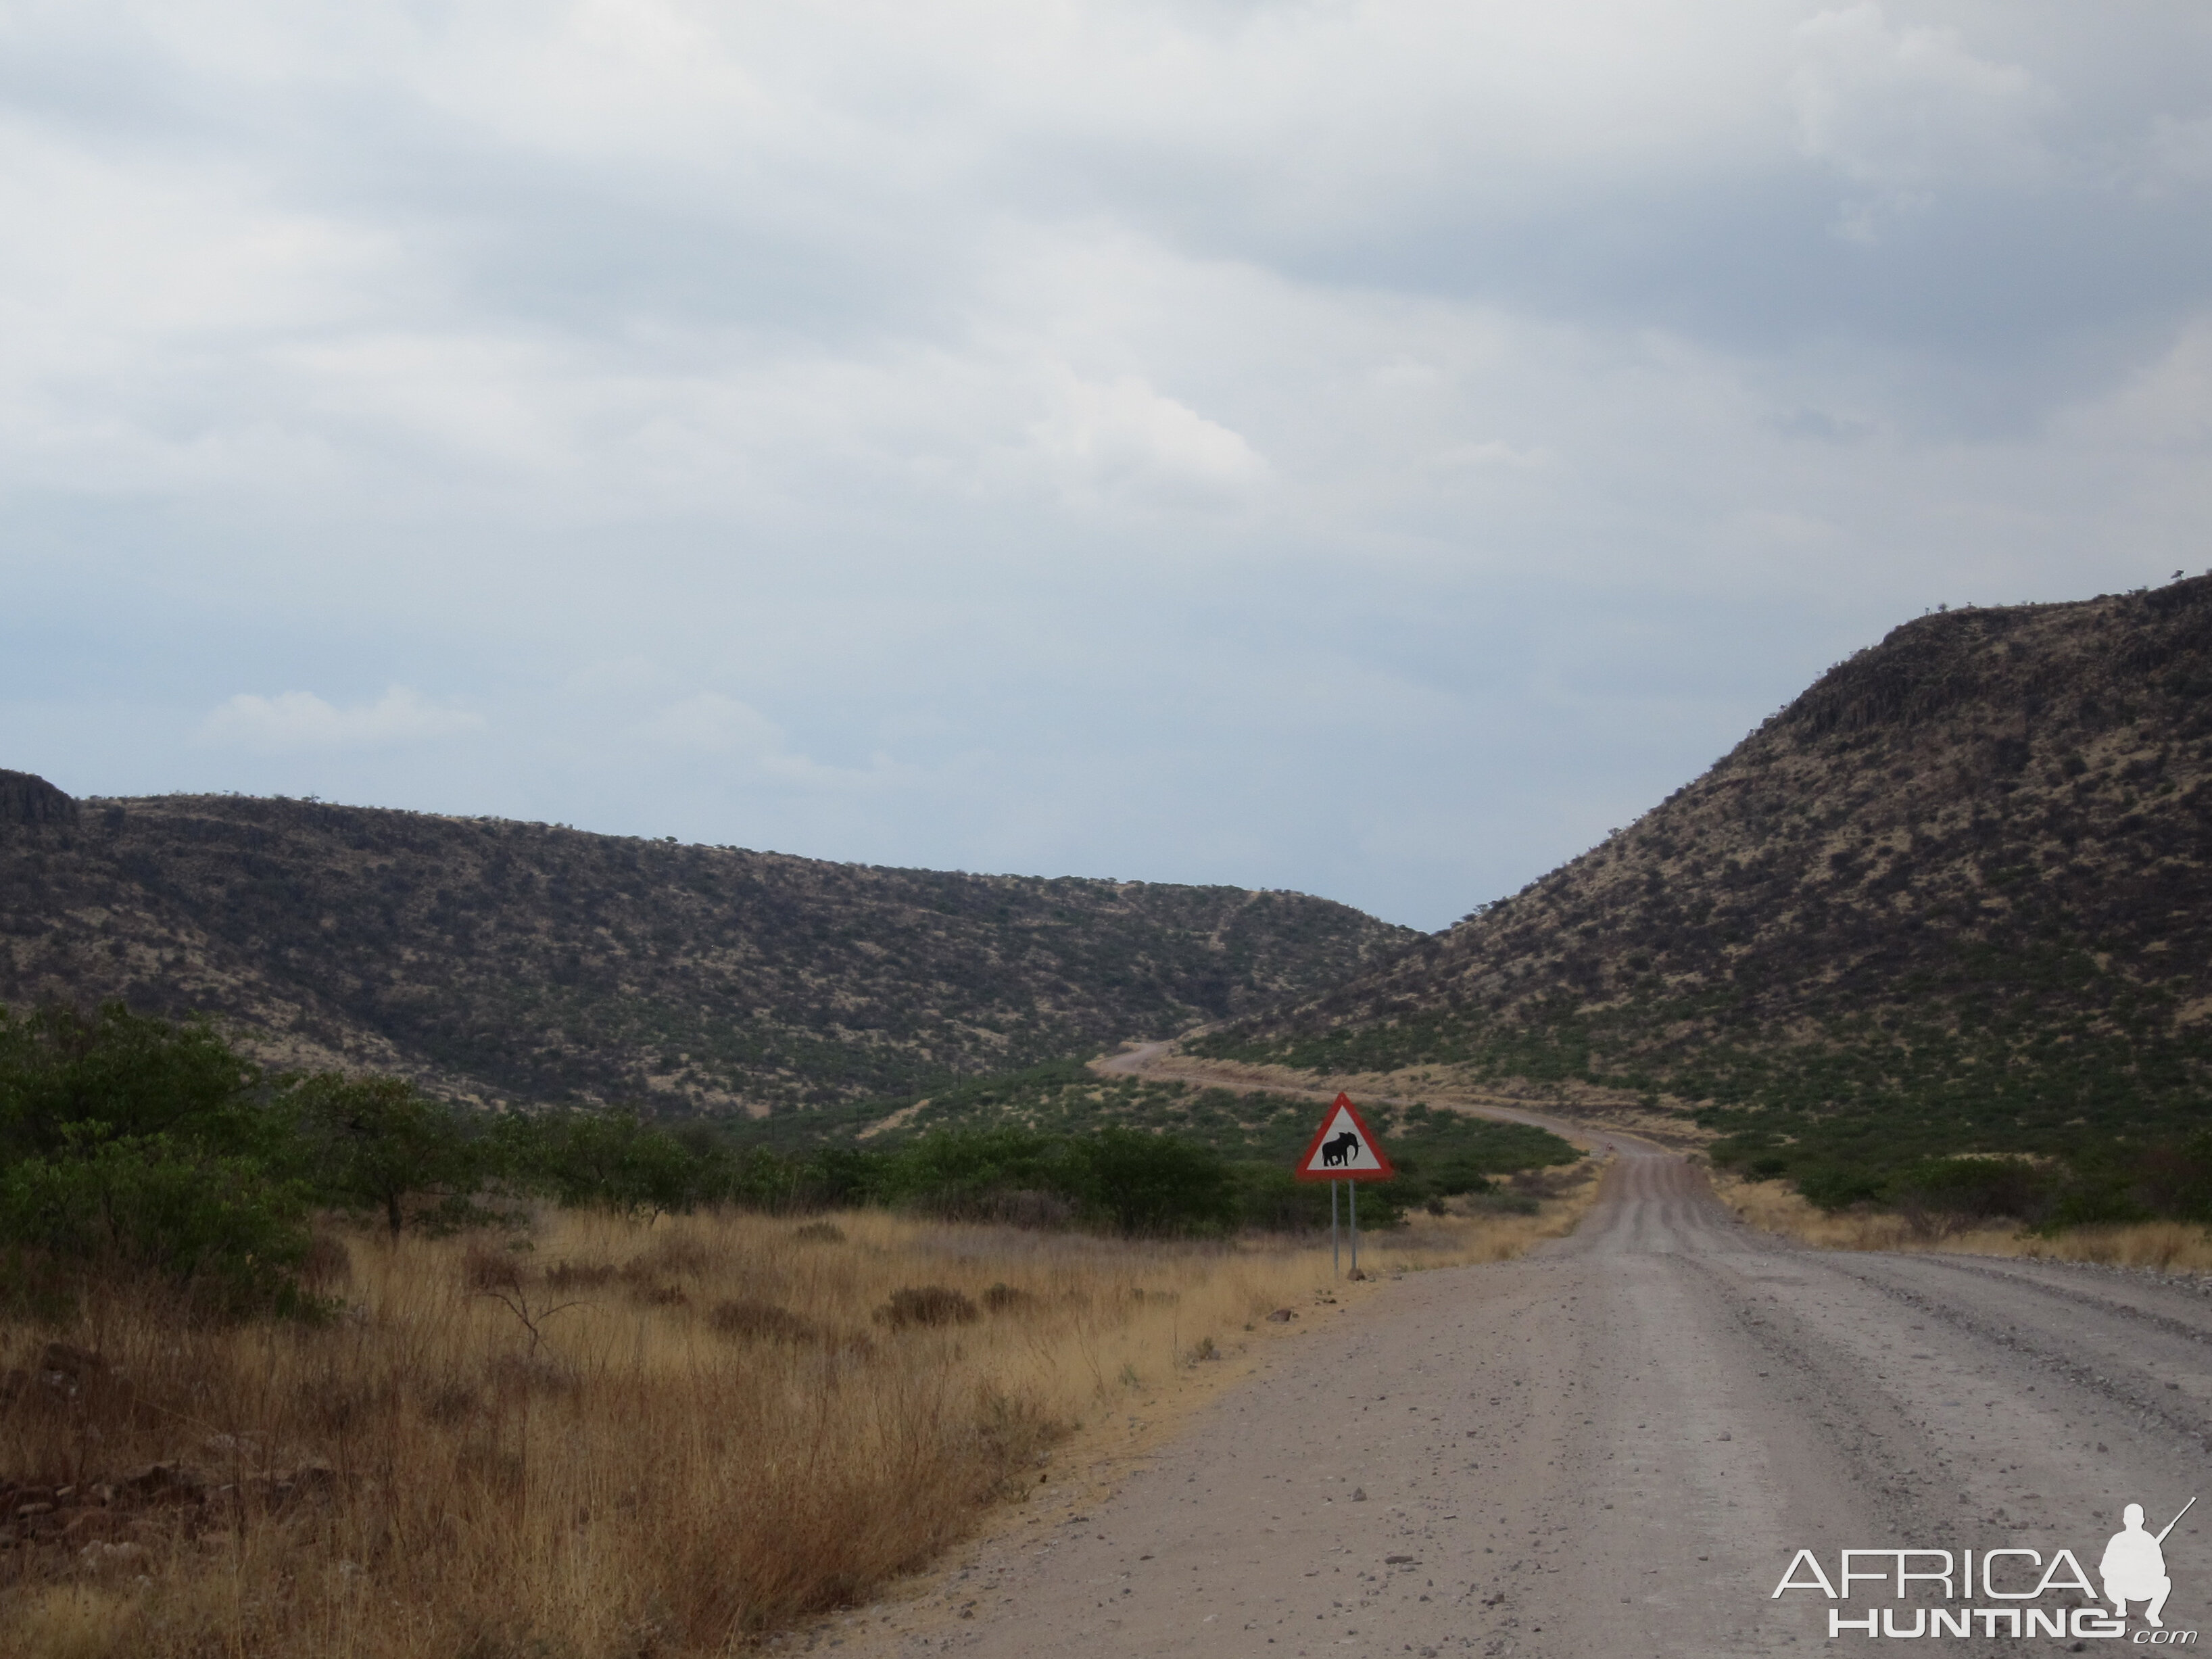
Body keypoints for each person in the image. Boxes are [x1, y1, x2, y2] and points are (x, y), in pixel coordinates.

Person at [2100, 1504, 2172, 1627]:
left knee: (2165, 1582)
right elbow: (2105, 1568)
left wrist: (2144, 1569)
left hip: (2142, 1587)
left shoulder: (2149, 1541)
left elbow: (2161, 1570)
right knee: (2109, 1581)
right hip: (2121, 1587)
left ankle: (2152, 1614)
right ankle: (2120, 1604)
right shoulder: (2118, 1540)